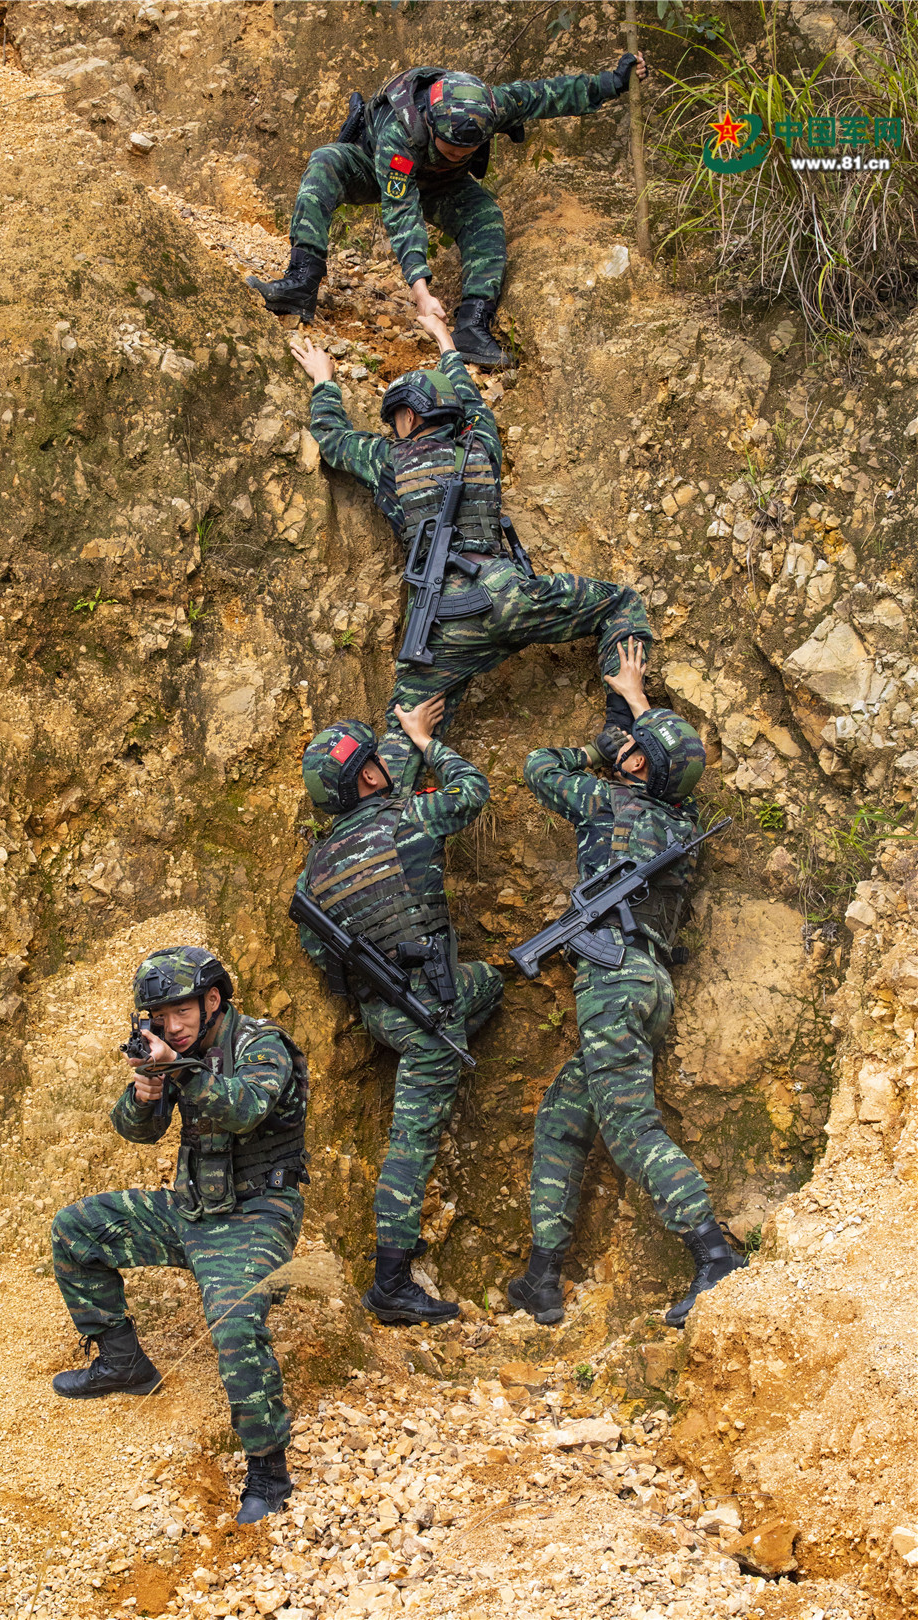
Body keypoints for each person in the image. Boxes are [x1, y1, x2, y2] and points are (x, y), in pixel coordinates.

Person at [291, 313, 652, 793]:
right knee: (620, 604)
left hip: (444, 627)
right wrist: (446, 344)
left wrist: (324, 383)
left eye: (396, 417)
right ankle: (622, 733)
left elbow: (333, 439)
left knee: (404, 729)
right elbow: (473, 402)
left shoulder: (388, 460)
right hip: (513, 600)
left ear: (410, 416)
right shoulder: (481, 445)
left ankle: (384, 823)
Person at [508, 640, 747, 1329]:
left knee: (629, 1125)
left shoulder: (607, 803)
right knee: (564, 1114)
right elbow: (673, 757)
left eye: (636, 751)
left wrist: (598, 747)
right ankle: (542, 1278)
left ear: (642, 765)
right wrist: (637, 708)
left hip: (611, 977)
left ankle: (713, 1256)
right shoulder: (676, 822)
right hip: (644, 979)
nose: (625, 753)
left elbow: (538, 766)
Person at [49, 946, 310, 1524]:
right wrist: (145, 1091)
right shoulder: (175, 1052)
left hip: (254, 1214)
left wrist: (179, 1071)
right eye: (157, 1017)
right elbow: (136, 1132)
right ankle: (123, 1364)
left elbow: (244, 1109)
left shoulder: (261, 1044)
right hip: (191, 1208)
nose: (169, 1026)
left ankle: (268, 1469)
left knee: (233, 1316)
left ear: (212, 1000)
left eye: (179, 1013)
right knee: (76, 1231)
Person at [294, 694, 503, 1324]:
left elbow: (325, 962)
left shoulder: (314, 874)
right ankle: (390, 1283)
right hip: (433, 1013)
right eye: (376, 762)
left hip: (382, 1013)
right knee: (411, 1141)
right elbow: (472, 790)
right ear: (368, 776)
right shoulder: (409, 820)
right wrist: (424, 741)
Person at [248, 55, 648, 366]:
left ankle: (473, 326)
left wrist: (612, 82)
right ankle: (302, 280)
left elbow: (548, 95)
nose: (457, 154)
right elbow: (401, 212)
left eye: (465, 151)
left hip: (443, 186)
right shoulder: (400, 133)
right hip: (376, 171)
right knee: (325, 161)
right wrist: (420, 291)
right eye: (450, 148)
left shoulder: (493, 105)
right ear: (430, 125)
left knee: (485, 214)